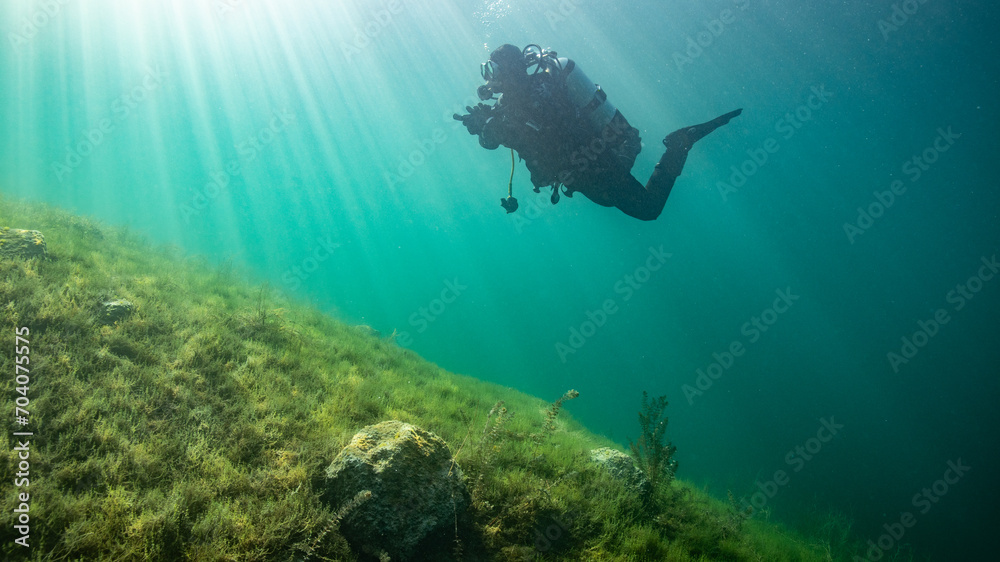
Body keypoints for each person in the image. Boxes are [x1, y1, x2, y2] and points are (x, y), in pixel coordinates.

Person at [454, 44, 742, 220]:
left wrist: (497, 129)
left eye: (493, 69)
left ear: (511, 69)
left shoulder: (538, 94)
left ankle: (679, 145)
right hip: (583, 170)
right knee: (608, 201)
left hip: (596, 160)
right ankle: (674, 146)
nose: (490, 79)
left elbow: (543, 133)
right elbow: (494, 139)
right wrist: (483, 127)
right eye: (486, 70)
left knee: (648, 209)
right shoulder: (514, 103)